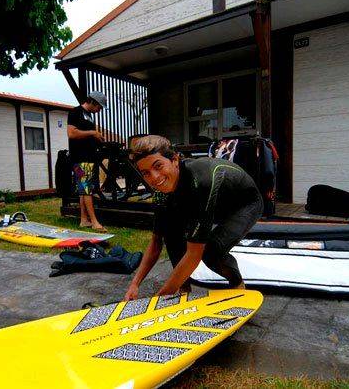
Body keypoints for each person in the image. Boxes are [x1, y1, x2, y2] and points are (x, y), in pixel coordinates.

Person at [124, 135, 263, 300]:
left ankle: (237, 285)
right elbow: (156, 243)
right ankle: (183, 289)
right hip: (213, 203)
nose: (154, 177)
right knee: (171, 233)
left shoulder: (201, 179)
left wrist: (159, 299)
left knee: (212, 251)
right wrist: (135, 284)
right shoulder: (161, 194)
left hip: (245, 204)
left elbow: (194, 254)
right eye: (146, 173)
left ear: (175, 160)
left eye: (158, 166)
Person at [67, 91, 108, 232]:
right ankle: (95, 222)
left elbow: (86, 135)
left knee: (83, 189)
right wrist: (92, 133)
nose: (100, 110)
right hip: (79, 158)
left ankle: (84, 220)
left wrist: (97, 138)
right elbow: (71, 133)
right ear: (92, 102)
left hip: (88, 157)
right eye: (99, 107)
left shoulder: (89, 116)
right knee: (86, 189)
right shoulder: (75, 112)